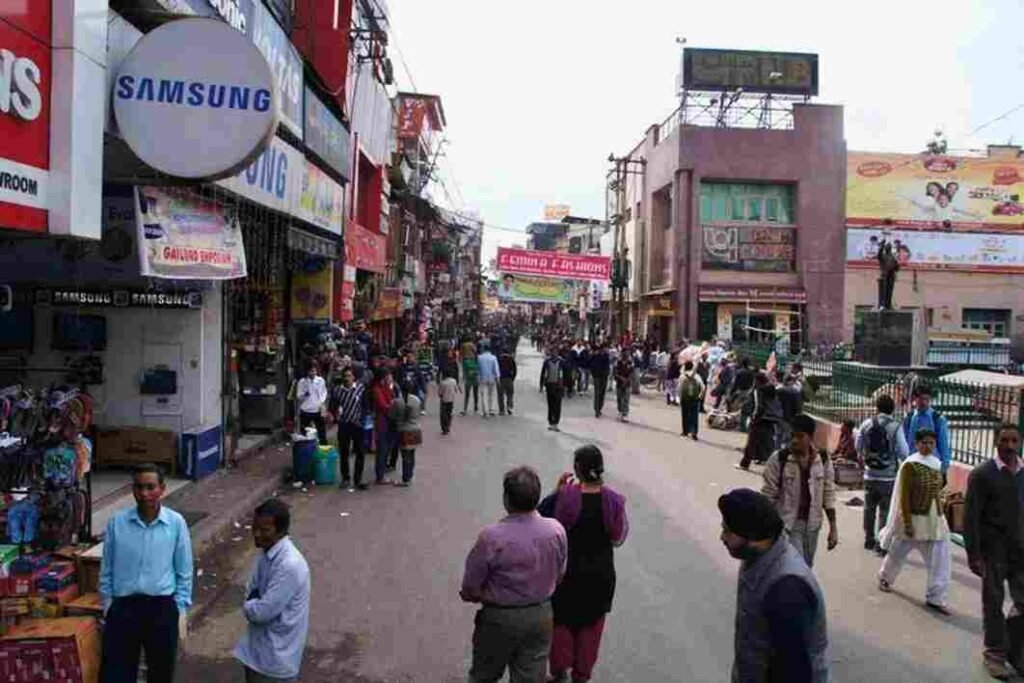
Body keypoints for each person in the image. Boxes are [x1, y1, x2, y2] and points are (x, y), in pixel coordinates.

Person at [461, 467, 568, 683]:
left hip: (499, 617)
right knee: (530, 677)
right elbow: (560, 575)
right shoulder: (556, 531)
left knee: (484, 674)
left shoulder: (491, 538)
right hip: (540, 616)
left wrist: (476, 595)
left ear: (506, 499)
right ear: (537, 496)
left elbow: (470, 588)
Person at [719, 488, 829, 682]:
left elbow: (793, 668)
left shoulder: (786, 588)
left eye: (728, 531)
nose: (722, 537)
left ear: (752, 536)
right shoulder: (758, 556)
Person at [539, 446, 628, 683]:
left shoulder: (565, 496)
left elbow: (540, 520)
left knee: (561, 625)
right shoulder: (613, 500)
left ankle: (559, 673)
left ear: (577, 469)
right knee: (591, 629)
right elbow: (618, 538)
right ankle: (581, 676)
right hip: (600, 578)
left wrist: (556, 491)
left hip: (566, 577)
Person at [99, 464, 193, 683]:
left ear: (162, 489)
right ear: (133, 489)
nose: (144, 493)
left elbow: (184, 570)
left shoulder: (176, 524)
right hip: (123, 608)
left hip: (161, 608)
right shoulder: (117, 522)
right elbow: (107, 569)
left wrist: (179, 608)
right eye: (139, 487)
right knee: (117, 674)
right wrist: (108, 605)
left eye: (150, 487)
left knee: (160, 673)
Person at [965, 423, 1024, 680]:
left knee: (1022, 603)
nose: (1010, 447)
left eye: (1014, 441)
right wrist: (973, 555)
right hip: (993, 552)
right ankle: (995, 654)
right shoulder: (982, 475)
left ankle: (1017, 652)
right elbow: (971, 518)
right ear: (995, 442)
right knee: (993, 602)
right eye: (1005, 441)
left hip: (1021, 551)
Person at [233, 499, 311, 683]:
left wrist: (250, 604)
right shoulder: (266, 553)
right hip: (258, 654)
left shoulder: (289, 565)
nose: (257, 534)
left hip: (274, 662)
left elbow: (261, 613)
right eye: (255, 528)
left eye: (265, 530)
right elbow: (250, 589)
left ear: (282, 531)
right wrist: (254, 600)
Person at [877, 428, 952, 615]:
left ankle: (936, 597)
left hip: (933, 520)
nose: (927, 446)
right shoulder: (910, 465)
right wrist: (908, 522)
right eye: (924, 442)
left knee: (940, 559)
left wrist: (941, 516)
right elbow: (903, 496)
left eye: (931, 443)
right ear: (917, 444)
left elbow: (936, 492)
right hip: (912, 518)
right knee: (897, 552)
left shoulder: (936, 463)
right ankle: (885, 577)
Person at [761, 415, 839, 567]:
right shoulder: (779, 460)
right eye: (792, 436)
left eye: (800, 436)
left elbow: (828, 493)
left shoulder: (823, 460)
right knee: (796, 567)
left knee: (806, 567)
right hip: (787, 525)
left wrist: (833, 528)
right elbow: (768, 496)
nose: (795, 440)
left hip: (812, 525)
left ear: (810, 437)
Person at [856, 394, 910, 552]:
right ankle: (881, 543)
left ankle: (868, 538)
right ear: (892, 409)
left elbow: (858, 446)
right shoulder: (895, 426)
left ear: (877, 407)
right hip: (888, 476)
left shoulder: (866, 424)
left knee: (869, 508)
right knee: (885, 510)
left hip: (870, 474)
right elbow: (904, 452)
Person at [329, 366, 369, 490]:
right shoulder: (337, 391)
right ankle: (345, 478)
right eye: (345, 376)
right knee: (344, 452)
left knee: (360, 452)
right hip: (344, 424)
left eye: (349, 376)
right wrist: (333, 414)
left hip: (358, 425)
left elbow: (366, 406)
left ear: (354, 377)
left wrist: (362, 420)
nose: (347, 378)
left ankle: (358, 479)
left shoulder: (361, 389)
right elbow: (332, 407)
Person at [902, 386, 952, 477]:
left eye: (927, 399)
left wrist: (944, 467)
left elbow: (943, 444)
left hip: (932, 466)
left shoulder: (937, 419)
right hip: (913, 464)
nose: (924, 402)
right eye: (921, 399)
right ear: (915, 399)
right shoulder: (909, 418)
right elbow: (904, 442)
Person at [737, 376, 782, 470]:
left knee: (751, 442)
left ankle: (744, 464)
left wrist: (754, 418)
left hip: (760, 419)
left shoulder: (759, 390)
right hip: (770, 418)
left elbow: (758, 406)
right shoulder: (772, 390)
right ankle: (769, 463)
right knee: (767, 441)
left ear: (757, 381)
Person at [388, 381, 422, 487]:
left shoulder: (397, 402)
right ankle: (409, 475)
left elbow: (391, 416)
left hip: (404, 431)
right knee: (412, 454)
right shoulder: (417, 400)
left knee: (405, 456)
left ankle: (405, 479)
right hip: (415, 430)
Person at [369, 368, 396, 484]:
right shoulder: (376, 390)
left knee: (386, 449)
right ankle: (380, 476)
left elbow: (391, 399)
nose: (390, 379)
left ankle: (382, 472)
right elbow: (384, 406)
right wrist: (393, 406)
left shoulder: (386, 388)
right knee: (382, 450)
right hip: (382, 423)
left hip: (388, 422)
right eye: (388, 377)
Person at [296, 362, 328, 445]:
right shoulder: (302, 382)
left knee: (322, 432)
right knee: (305, 432)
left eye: (314, 371)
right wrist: (305, 394)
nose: (313, 373)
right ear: (307, 371)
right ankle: (305, 450)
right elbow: (299, 396)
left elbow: (324, 393)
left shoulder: (321, 380)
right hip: (306, 410)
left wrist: (321, 403)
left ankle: (323, 449)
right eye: (310, 371)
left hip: (317, 409)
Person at [677, 361, 705, 440]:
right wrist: (700, 396)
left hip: (685, 398)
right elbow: (703, 387)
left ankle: (685, 431)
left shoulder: (682, 376)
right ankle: (694, 432)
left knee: (685, 414)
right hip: (695, 398)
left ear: (685, 367)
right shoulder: (697, 376)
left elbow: (679, 388)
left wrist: (679, 398)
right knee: (694, 416)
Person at [777, 372, 805, 451]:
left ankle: (776, 451)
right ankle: (785, 452)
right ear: (791, 381)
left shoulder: (778, 390)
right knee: (788, 436)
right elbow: (798, 406)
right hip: (790, 417)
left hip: (779, 416)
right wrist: (799, 416)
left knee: (778, 435)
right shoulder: (795, 392)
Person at [541, 347, 565, 432]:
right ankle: (551, 422)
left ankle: (556, 423)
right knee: (551, 405)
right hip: (549, 385)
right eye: (553, 352)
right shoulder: (547, 362)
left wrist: (567, 387)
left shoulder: (562, 362)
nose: (554, 354)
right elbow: (543, 373)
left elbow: (566, 374)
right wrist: (541, 385)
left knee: (557, 405)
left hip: (559, 386)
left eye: (556, 352)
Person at [478, 344, 501, 418]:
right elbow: (496, 369)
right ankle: (492, 410)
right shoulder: (493, 358)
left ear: (483, 349)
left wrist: (478, 378)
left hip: (483, 378)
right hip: (492, 378)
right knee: (492, 394)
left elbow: (478, 369)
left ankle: (486, 411)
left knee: (484, 395)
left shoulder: (480, 357)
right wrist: (498, 379)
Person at [589, 342, 611, 419]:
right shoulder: (595, 355)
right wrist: (593, 374)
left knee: (602, 393)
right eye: (605, 348)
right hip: (597, 376)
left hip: (604, 377)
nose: (606, 349)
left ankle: (600, 407)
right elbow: (591, 364)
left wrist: (607, 373)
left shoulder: (606, 356)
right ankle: (596, 410)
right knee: (597, 393)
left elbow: (608, 366)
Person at [438, 369, 460, 435]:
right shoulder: (454, 381)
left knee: (443, 415)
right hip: (451, 400)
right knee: (449, 413)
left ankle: (444, 428)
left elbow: (440, 393)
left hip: (444, 400)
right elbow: (456, 390)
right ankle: (448, 426)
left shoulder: (443, 382)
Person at [613, 351, 633, 423]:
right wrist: (621, 378)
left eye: (626, 355)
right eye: (624, 355)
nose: (625, 356)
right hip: (619, 383)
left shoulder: (630, 363)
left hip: (627, 384)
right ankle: (620, 411)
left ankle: (625, 414)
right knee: (619, 398)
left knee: (626, 399)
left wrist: (627, 380)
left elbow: (631, 373)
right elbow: (615, 373)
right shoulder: (618, 363)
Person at [497, 347, 518, 416]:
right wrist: (513, 378)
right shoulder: (511, 359)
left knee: (500, 395)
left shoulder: (499, 359)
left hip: (501, 379)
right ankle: (509, 407)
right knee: (510, 394)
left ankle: (502, 410)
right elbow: (515, 370)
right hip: (509, 379)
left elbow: (497, 369)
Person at [461, 349, 481, 416]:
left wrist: (475, 373)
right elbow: (464, 371)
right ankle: (465, 409)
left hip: (475, 380)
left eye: (472, 354)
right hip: (468, 380)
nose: (471, 355)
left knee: (475, 394)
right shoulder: (466, 362)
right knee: (467, 395)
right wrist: (463, 380)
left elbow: (479, 370)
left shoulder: (477, 362)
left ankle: (476, 407)